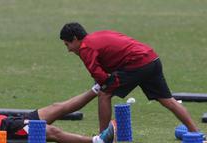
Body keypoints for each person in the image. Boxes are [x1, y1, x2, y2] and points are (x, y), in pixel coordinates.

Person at [59, 22, 199, 134]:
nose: (68, 49)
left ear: (76, 39)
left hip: (137, 64)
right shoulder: (98, 36)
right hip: (152, 59)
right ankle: (197, 133)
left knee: (104, 94)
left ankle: (103, 138)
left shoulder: (85, 47)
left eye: (67, 44)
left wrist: (103, 84)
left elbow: (99, 76)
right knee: (168, 101)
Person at [0, 69, 117, 143]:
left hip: (9, 122)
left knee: (56, 108)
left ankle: (96, 89)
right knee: (51, 131)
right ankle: (98, 142)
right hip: (3, 130)